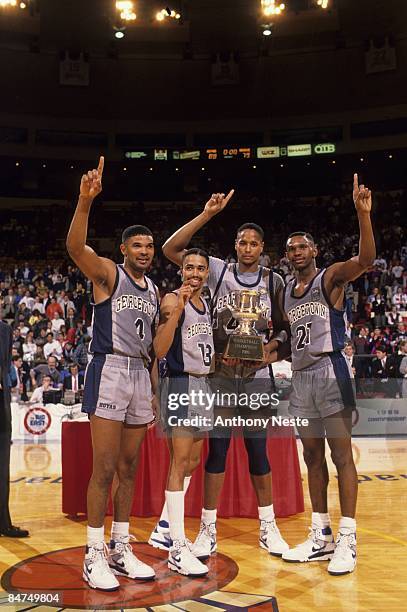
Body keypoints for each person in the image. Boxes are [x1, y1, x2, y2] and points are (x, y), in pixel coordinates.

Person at [162, 191, 290, 560]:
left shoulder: (274, 280)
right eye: (241, 242)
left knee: (257, 450)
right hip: (219, 376)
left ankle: (268, 527)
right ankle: (208, 528)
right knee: (216, 451)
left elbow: (284, 327)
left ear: (262, 247)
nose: (247, 248)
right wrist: (206, 214)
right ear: (234, 246)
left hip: (256, 378)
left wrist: (269, 355)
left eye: (253, 243)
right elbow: (175, 249)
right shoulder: (217, 269)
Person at [66, 157, 158, 591]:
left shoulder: (155, 290)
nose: (144, 251)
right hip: (110, 368)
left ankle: (121, 546)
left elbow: (153, 349)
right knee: (103, 468)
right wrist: (85, 202)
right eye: (137, 246)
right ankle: (93, 552)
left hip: (140, 374)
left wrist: (156, 389)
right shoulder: (107, 274)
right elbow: (74, 249)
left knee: (130, 464)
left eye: (149, 246)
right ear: (124, 250)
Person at [281, 174, 375, 575]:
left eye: (303, 246)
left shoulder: (331, 276)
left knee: (340, 456)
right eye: (291, 248)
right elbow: (286, 343)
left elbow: (365, 261)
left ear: (315, 251)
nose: (298, 252)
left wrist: (362, 215)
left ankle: (348, 538)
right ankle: (320, 534)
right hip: (300, 376)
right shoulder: (285, 290)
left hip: (329, 368)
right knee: (312, 456)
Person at [149, 248, 214, 577]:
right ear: (181, 271)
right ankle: (177, 545)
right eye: (189, 267)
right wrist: (177, 312)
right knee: (179, 462)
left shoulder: (208, 303)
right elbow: (159, 350)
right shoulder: (173, 301)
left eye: (201, 268)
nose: (195, 273)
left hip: (202, 385)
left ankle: (163, 527)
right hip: (179, 383)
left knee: (191, 461)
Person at [0, 320, 29, 538]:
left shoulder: (5, 329)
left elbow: (6, 366)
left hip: (2, 403)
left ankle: (3, 522)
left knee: (2, 466)